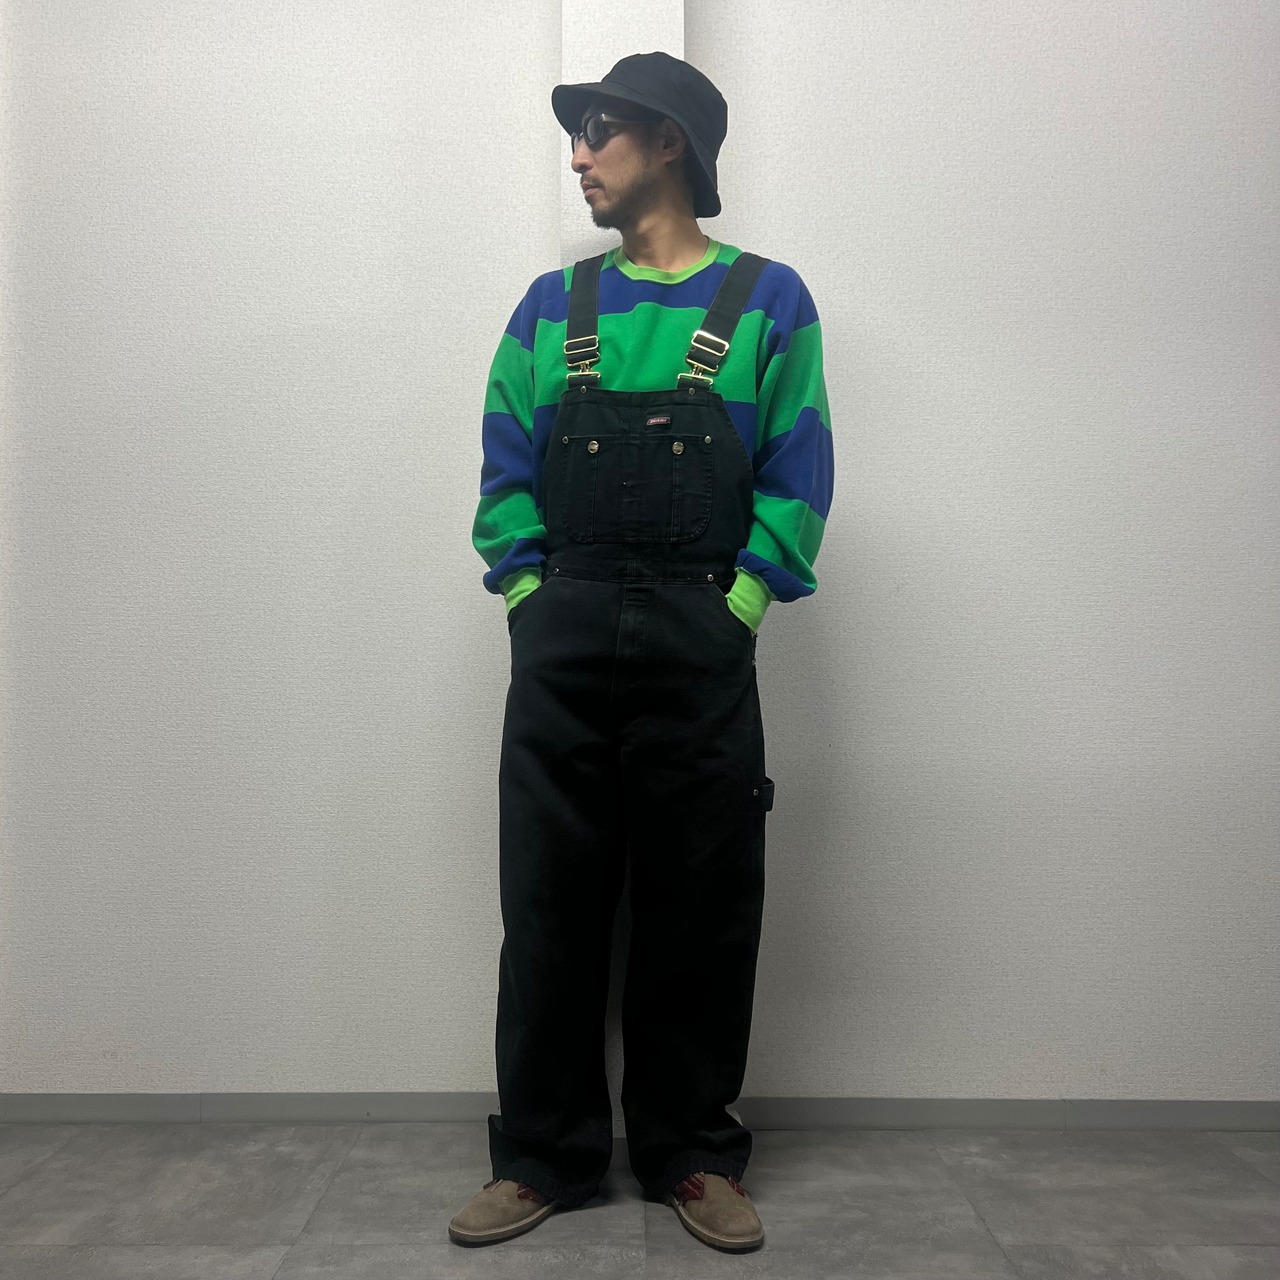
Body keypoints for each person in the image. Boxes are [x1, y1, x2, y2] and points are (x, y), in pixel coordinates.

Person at [450, 51, 834, 1254]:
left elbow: (800, 472)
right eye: (577, 135)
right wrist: (528, 596)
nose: (577, 156)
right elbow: (503, 470)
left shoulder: (768, 301)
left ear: (669, 142)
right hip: (560, 635)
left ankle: (691, 1152)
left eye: (600, 131)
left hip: (699, 637)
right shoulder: (549, 307)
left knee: (701, 907)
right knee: (546, 905)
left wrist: (740, 605)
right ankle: (542, 1155)